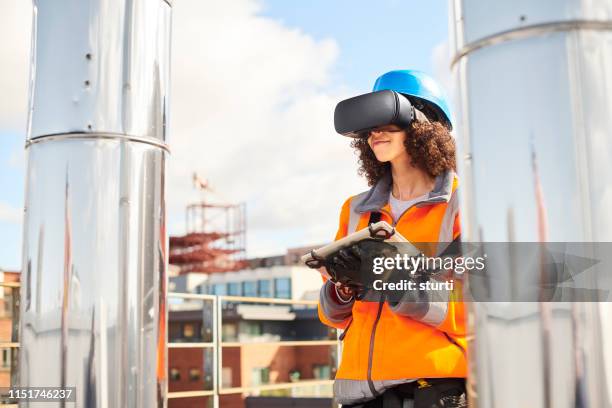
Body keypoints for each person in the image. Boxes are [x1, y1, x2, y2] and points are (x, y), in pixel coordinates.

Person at [317, 70, 467, 408]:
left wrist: (401, 284)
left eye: (386, 121)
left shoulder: (465, 204)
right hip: (359, 390)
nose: (374, 133)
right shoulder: (355, 209)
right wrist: (340, 290)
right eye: (369, 127)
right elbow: (334, 316)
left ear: (425, 125)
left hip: (432, 387)